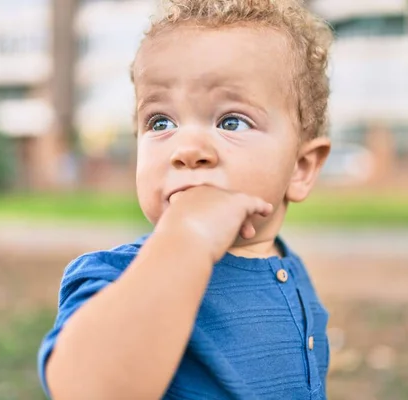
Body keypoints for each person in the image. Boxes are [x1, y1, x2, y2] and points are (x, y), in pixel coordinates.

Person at [38, 0, 333, 398]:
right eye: (161, 122)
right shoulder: (122, 275)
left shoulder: (287, 266)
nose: (187, 148)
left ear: (300, 168)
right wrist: (186, 238)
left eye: (232, 121)